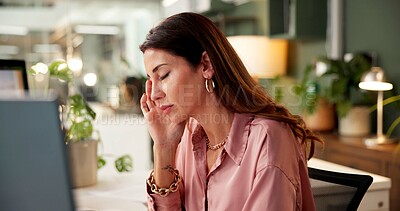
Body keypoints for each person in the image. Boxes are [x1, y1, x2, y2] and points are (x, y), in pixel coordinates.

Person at [139, 12, 322, 211]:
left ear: (206, 65)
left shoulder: (268, 139)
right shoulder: (190, 136)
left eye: (164, 75)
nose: (155, 93)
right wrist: (164, 147)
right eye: (150, 79)